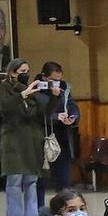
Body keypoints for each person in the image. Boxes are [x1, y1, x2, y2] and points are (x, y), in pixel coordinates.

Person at [0, 59, 47, 216]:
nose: (26, 73)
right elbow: (6, 108)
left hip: (31, 143)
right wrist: (22, 94)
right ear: (13, 72)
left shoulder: (33, 91)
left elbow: (43, 112)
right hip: (13, 143)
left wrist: (53, 96)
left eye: (28, 70)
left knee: (31, 184)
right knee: (14, 184)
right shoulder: (4, 89)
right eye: (23, 70)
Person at [34, 61, 80, 194]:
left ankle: (65, 208)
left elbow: (71, 105)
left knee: (64, 179)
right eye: (53, 80)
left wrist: (73, 117)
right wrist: (56, 116)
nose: (57, 84)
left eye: (59, 80)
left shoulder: (64, 89)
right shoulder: (35, 90)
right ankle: (40, 211)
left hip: (61, 136)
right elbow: (38, 113)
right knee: (40, 181)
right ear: (44, 76)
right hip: (43, 136)